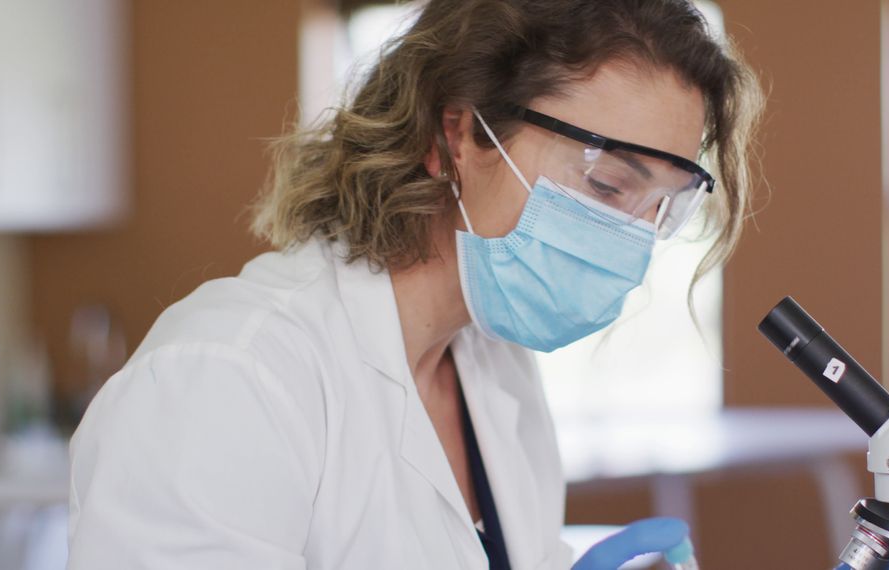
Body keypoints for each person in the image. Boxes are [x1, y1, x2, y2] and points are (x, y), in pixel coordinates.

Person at [66, 0, 762, 568]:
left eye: (662, 209)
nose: (629, 238)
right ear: (454, 134)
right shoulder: (231, 377)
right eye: (609, 184)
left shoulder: (496, 371)